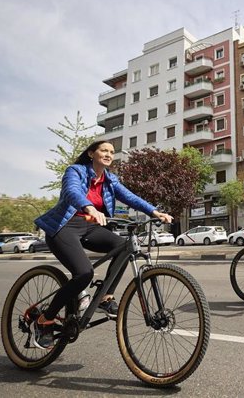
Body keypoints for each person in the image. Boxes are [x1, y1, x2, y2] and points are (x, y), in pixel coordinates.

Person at [33, 140, 172, 349]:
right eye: (104, 150)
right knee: (84, 273)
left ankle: (104, 298)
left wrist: (154, 212)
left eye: (112, 152)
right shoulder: (76, 171)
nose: (108, 154)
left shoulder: (110, 179)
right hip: (64, 227)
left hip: (90, 227)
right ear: (91, 153)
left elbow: (130, 196)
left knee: (124, 247)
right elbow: (72, 191)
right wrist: (88, 207)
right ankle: (46, 319)